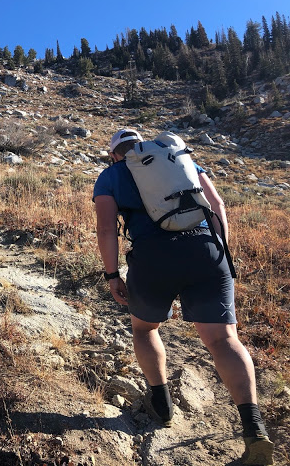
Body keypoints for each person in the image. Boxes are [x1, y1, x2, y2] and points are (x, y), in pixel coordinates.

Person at [92, 129, 274, 465]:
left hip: (152, 259)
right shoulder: (180, 160)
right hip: (206, 251)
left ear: (114, 154)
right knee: (222, 339)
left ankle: (161, 406)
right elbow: (216, 205)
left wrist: (112, 273)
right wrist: (220, 252)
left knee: (146, 329)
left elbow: (106, 229)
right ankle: (253, 426)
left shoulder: (112, 174)